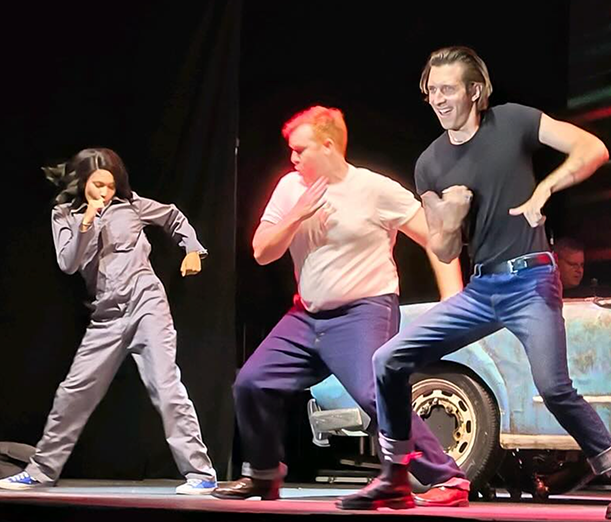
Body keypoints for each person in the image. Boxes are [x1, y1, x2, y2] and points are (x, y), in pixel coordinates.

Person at [336, 46, 611, 519]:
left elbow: (592, 149)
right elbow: (444, 250)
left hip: (531, 280)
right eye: (431, 91)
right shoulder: (430, 163)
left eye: (447, 89)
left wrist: (545, 188)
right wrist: (451, 217)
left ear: (475, 91)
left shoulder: (513, 121)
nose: (438, 99)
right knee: (388, 360)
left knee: (553, 387)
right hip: (482, 290)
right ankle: (395, 476)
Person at [211, 106, 471, 506]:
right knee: (251, 383)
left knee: (374, 392)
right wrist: (297, 214)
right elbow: (262, 252)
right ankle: (263, 475)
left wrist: (453, 299)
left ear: (328, 146)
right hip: (306, 317)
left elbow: (438, 241)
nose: (293, 158)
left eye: (301, 150)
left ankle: (447, 478)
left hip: (363, 311)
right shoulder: (290, 188)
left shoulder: (373, 189)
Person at [0, 148, 217, 495]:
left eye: (111, 185)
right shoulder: (64, 214)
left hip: (146, 304)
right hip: (106, 316)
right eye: (98, 184)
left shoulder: (131, 206)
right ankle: (40, 471)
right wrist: (87, 220)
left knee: (166, 386)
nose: (105, 192)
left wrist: (193, 248)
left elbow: (173, 217)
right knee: (73, 392)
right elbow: (68, 263)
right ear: (83, 181)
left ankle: (201, 473)